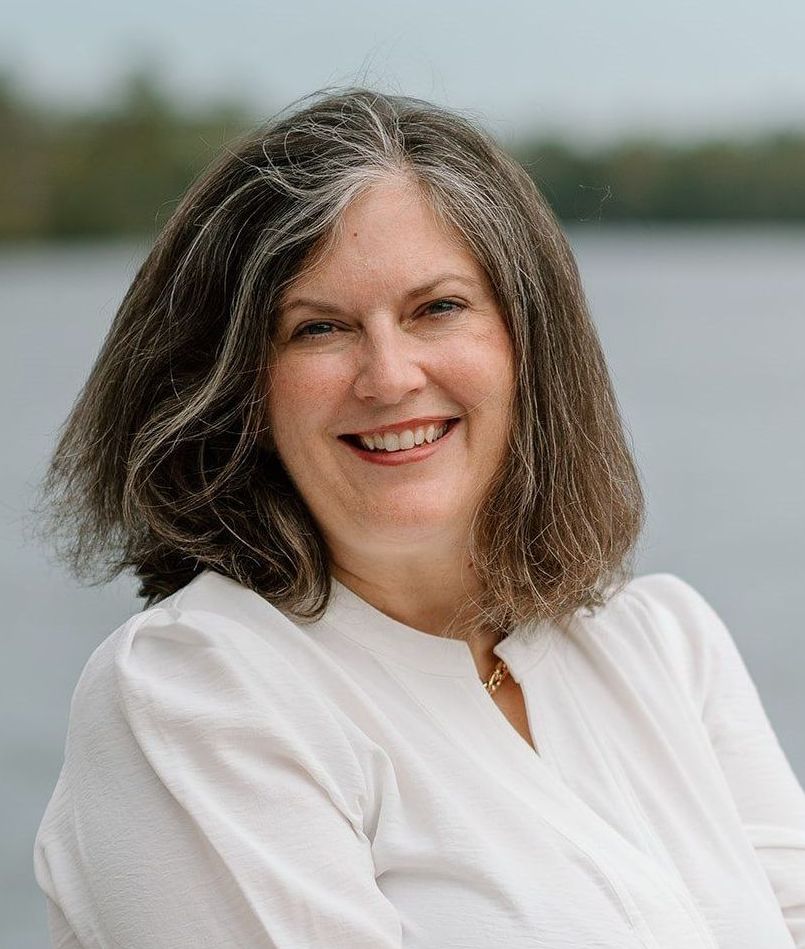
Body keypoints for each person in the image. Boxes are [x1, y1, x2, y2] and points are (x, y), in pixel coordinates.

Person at [33, 89, 805, 948]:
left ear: (527, 342)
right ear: (237, 388)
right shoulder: (196, 692)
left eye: (435, 307)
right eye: (317, 328)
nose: (388, 375)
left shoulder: (666, 642)